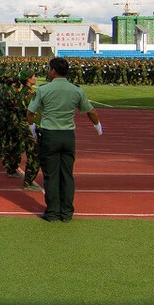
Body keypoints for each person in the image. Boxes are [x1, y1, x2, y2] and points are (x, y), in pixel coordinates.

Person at [26, 56, 101, 222]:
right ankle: (66, 213)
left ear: (53, 71)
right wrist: (97, 125)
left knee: (51, 175)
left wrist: (31, 127)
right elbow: (91, 111)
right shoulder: (76, 90)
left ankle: (52, 212)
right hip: (68, 135)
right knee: (67, 175)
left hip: (50, 134)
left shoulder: (44, 89)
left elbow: (30, 112)